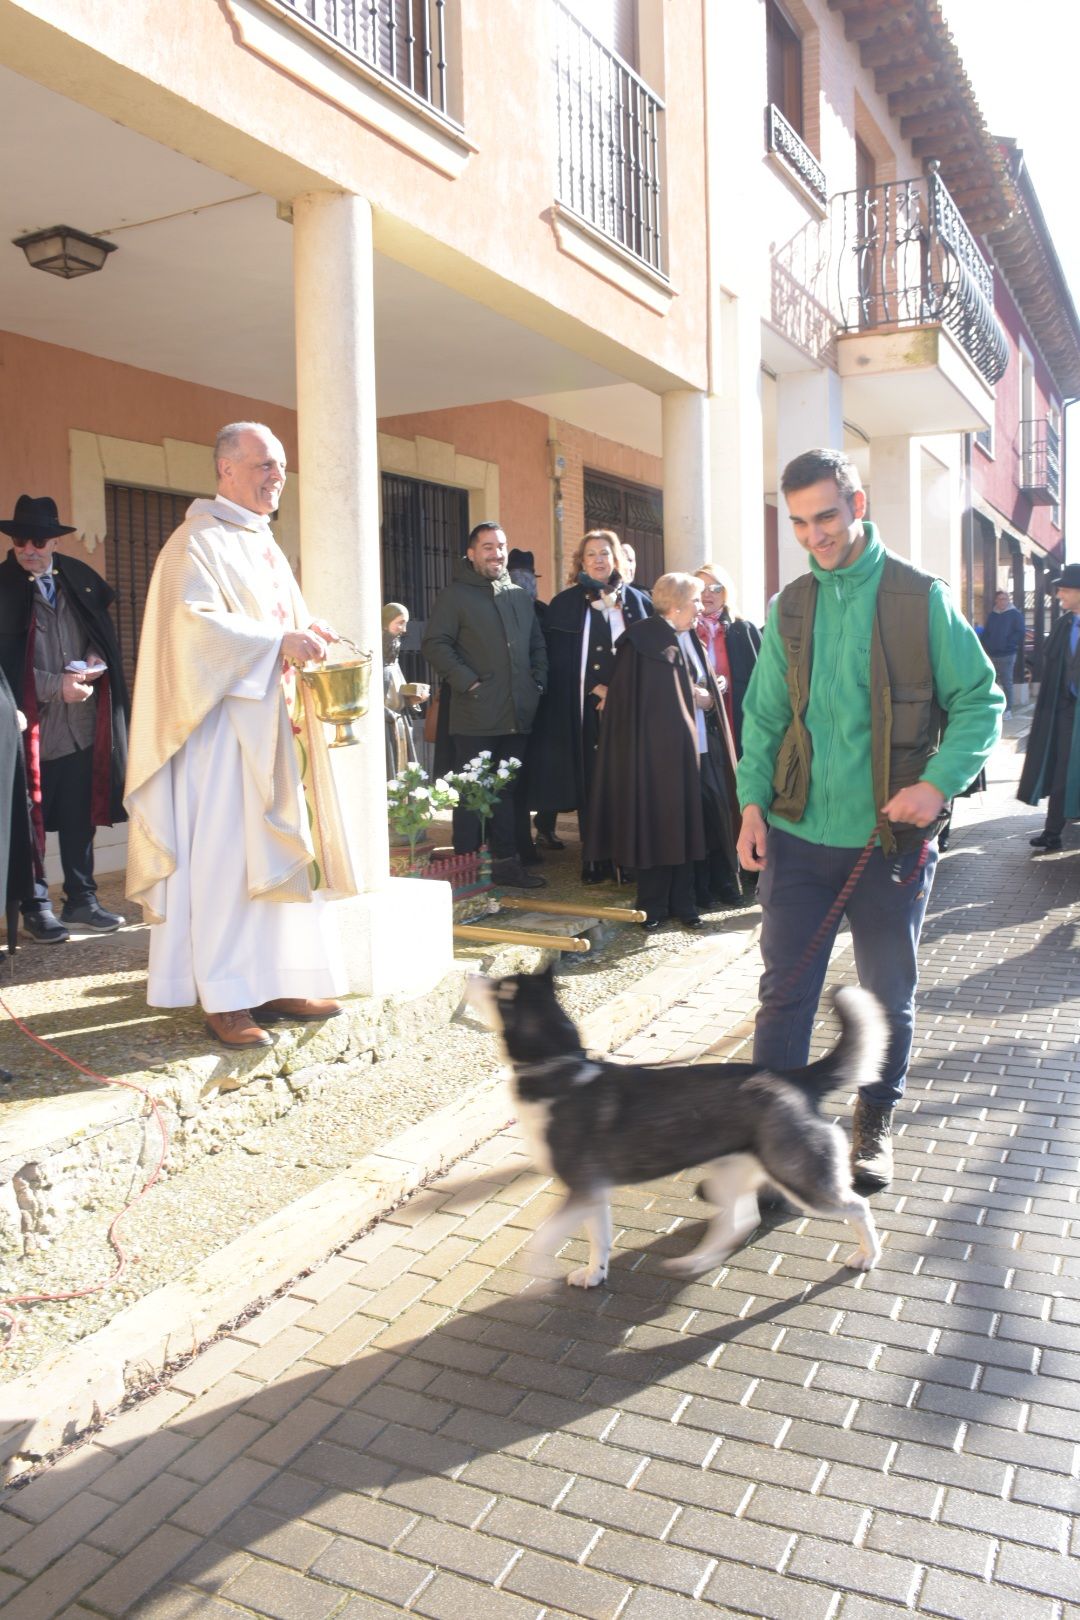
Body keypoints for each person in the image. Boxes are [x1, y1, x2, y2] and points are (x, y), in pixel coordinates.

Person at [736, 448, 1002, 1192]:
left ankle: (874, 1117)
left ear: (857, 503)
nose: (815, 535)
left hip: (889, 846)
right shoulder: (790, 605)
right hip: (796, 838)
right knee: (783, 994)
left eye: (825, 515)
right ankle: (777, 1137)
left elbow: (981, 699)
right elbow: (761, 720)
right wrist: (752, 805)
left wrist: (938, 785)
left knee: (887, 995)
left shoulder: (919, 597)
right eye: (798, 522)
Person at [125, 422, 357, 1049]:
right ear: (226, 469)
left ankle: (276, 978)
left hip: (272, 723)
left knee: (275, 852)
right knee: (228, 860)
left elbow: (276, 619)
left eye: (279, 467)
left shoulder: (264, 544)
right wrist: (275, 642)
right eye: (262, 465)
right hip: (219, 733)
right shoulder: (193, 543)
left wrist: (308, 629)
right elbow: (191, 629)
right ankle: (225, 994)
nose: (275, 477)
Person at [0, 494, 130, 942]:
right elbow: (4, 666)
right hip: (28, 730)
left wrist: (94, 661)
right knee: (27, 819)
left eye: (38, 539)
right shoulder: (2, 588)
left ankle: (81, 899)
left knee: (80, 816)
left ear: (54, 542)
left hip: (79, 727)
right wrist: (58, 686)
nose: (28, 548)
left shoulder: (77, 580)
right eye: (20, 540)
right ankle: (36, 906)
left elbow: (100, 635)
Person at [587, 571, 739, 926]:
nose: (700, 608)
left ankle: (684, 905)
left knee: (686, 827)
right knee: (654, 829)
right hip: (651, 758)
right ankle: (653, 906)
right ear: (675, 606)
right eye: (695, 602)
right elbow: (634, 699)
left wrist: (707, 697)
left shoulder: (688, 638)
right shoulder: (642, 641)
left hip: (691, 751)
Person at [421, 522, 547, 889]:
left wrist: (537, 683)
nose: (497, 553)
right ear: (472, 553)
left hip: (518, 713)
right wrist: (469, 682)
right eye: (488, 547)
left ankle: (507, 865)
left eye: (502, 546)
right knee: (473, 792)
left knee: (507, 792)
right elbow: (435, 645)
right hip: (475, 713)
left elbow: (537, 646)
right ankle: (467, 866)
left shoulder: (518, 596)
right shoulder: (455, 596)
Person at [528, 529, 652, 881]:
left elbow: (646, 659)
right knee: (591, 783)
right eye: (591, 554)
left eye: (604, 553)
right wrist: (595, 689)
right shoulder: (565, 605)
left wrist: (619, 692)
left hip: (628, 711)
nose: (598, 560)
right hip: (583, 709)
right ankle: (594, 858)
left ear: (616, 559)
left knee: (626, 783)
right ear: (581, 562)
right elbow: (557, 661)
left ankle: (628, 859)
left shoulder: (639, 603)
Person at [1018, 562, 1080, 853]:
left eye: (1065, 589)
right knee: (1062, 766)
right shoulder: (1063, 624)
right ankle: (1052, 832)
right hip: (1067, 711)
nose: (1059, 595)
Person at [694, 563, 762, 755]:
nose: (707, 594)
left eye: (715, 588)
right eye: (701, 588)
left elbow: (762, 684)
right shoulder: (685, 632)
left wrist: (727, 683)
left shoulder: (744, 630)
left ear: (726, 592)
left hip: (736, 720)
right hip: (698, 722)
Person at [382, 602, 426, 779]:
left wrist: (412, 699)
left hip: (399, 721)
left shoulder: (393, 660)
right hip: (386, 724)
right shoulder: (377, 659)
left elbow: (396, 688)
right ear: (385, 623)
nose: (404, 629)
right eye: (399, 623)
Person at [982, 587, 1024, 713]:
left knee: (1007, 682)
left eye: (1005, 599)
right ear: (996, 600)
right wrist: (987, 645)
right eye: (1000, 599)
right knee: (992, 682)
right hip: (992, 654)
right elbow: (986, 633)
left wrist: (1008, 644)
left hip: (1008, 654)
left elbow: (1020, 632)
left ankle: (1008, 710)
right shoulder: (992, 615)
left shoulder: (1015, 614)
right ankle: (993, 708)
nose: (1003, 601)